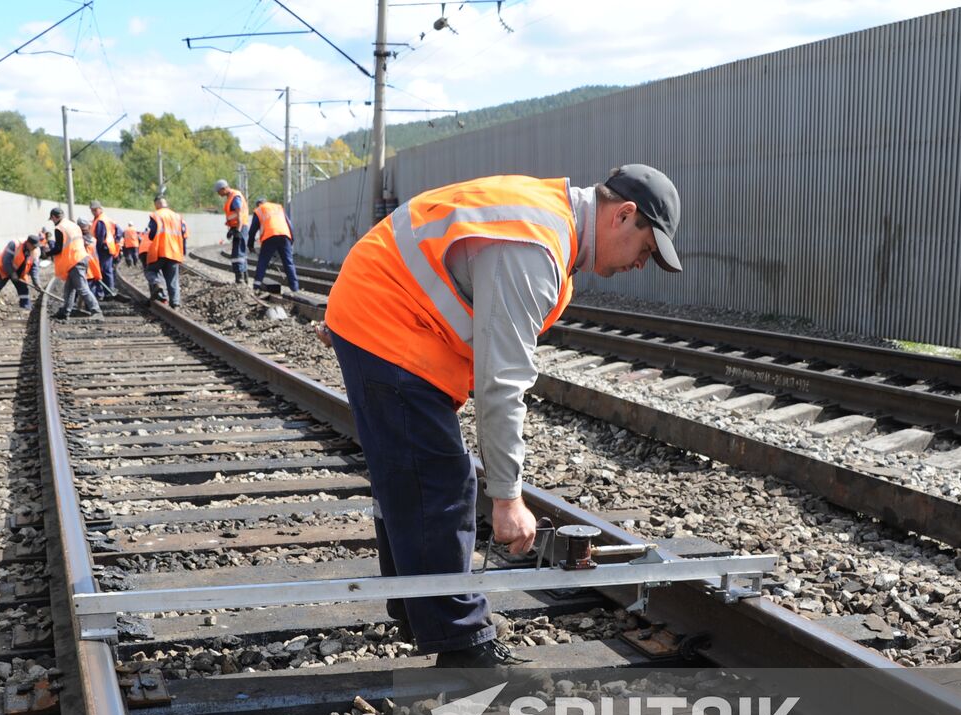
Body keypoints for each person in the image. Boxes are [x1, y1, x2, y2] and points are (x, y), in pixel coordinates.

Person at [323, 165, 682, 669]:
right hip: (388, 323)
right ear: (624, 215)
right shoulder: (533, 247)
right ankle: (462, 642)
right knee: (442, 483)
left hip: (380, 313)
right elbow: (503, 383)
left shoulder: (544, 220)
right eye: (646, 249)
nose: (641, 264)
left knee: (408, 475)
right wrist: (508, 497)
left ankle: (415, 605)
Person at [45, 207, 102, 320]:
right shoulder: (73, 225)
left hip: (75, 261)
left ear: (54, 217)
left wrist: (47, 253)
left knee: (82, 288)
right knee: (69, 288)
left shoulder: (59, 228)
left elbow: (58, 248)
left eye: (52, 219)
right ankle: (65, 312)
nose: (52, 222)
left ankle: (97, 311)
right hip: (79, 258)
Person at [246, 198, 299, 293]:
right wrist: (292, 239)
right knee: (288, 262)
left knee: (263, 261)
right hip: (285, 235)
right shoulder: (278, 207)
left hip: (269, 236)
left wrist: (250, 245)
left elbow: (252, 230)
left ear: (258, 204)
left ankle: (256, 286)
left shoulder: (259, 210)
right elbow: (289, 224)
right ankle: (294, 288)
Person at [144, 196, 187, 307]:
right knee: (173, 279)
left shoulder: (156, 215)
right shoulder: (177, 216)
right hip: (174, 252)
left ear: (157, 204)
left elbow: (152, 233)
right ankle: (175, 304)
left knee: (150, 271)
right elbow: (183, 233)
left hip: (160, 250)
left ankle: (157, 283)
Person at [0, 235, 42, 310]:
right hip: (3, 269)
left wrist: (36, 282)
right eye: (34, 246)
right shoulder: (14, 244)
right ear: (28, 243)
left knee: (24, 290)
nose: (35, 248)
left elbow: (34, 268)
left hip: (20, 274)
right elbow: (6, 260)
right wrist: (12, 273)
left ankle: (25, 308)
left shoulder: (35, 252)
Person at [214, 179, 248, 284]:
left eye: (219, 192)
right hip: (236, 227)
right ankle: (244, 278)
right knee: (240, 252)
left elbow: (239, 214)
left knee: (237, 254)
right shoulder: (231, 197)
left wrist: (238, 230)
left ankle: (240, 279)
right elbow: (233, 215)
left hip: (240, 227)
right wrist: (232, 229)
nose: (219, 194)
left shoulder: (235, 197)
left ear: (223, 189)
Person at [89, 200, 120, 297]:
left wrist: (95, 250)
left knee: (105, 271)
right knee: (105, 270)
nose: (93, 212)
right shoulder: (102, 219)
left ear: (100, 209)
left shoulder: (101, 220)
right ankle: (106, 291)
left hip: (104, 249)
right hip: (107, 247)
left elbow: (100, 236)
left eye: (95, 210)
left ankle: (108, 291)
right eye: (92, 210)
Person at [78, 218, 109, 299]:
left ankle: (87, 306)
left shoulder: (79, 240)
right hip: (93, 267)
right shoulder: (92, 239)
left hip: (85, 268)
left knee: (85, 289)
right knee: (90, 288)